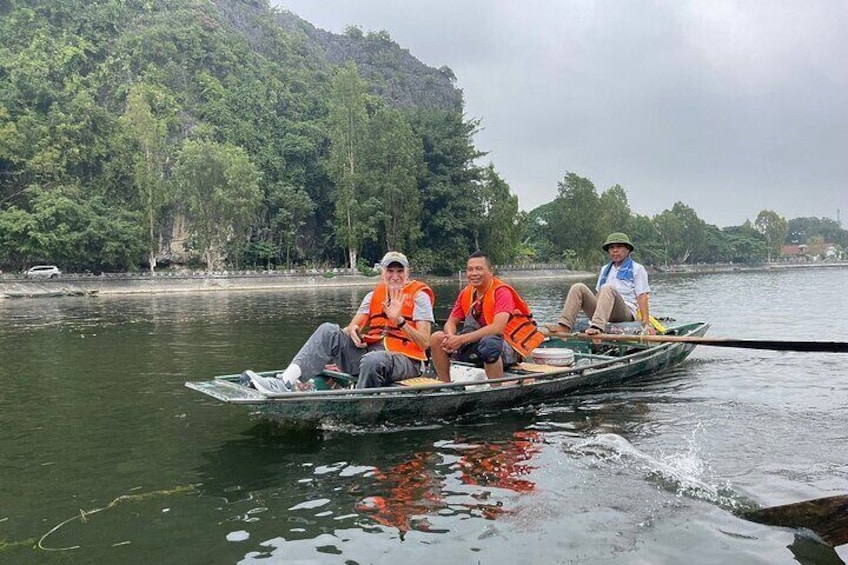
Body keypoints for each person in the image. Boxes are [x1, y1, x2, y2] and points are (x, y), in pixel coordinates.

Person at [244, 251, 435, 392]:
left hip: (407, 362)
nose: (395, 276)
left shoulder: (419, 297)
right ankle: (284, 382)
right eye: (390, 270)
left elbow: (424, 342)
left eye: (399, 270)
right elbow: (351, 327)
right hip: (371, 355)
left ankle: (361, 406)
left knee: (373, 359)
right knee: (328, 330)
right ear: (382, 273)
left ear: (407, 273)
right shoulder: (372, 296)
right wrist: (353, 331)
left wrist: (399, 320)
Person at [429, 251, 545, 384]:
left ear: (490, 271)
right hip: (473, 343)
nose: (474, 273)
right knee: (437, 338)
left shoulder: (502, 292)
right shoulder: (466, 293)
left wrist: (460, 340)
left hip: (505, 347)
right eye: (470, 269)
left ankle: (496, 388)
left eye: (479, 269)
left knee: (489, 343)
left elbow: (497, 328)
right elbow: (451, 321)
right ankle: (446, 385)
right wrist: (451, 338)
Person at [551, 232, 655, 336]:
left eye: (619, 247)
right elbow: (598, 294)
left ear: (627, 249)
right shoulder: (605, 269)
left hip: (624, 312)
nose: (615, 250)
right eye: (611, 248)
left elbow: (642, 296)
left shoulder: (637, 269)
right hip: (603, 310)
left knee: (607, 288)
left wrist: (645, 323)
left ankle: (597, 327)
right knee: (578, 287)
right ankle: (564, 325)